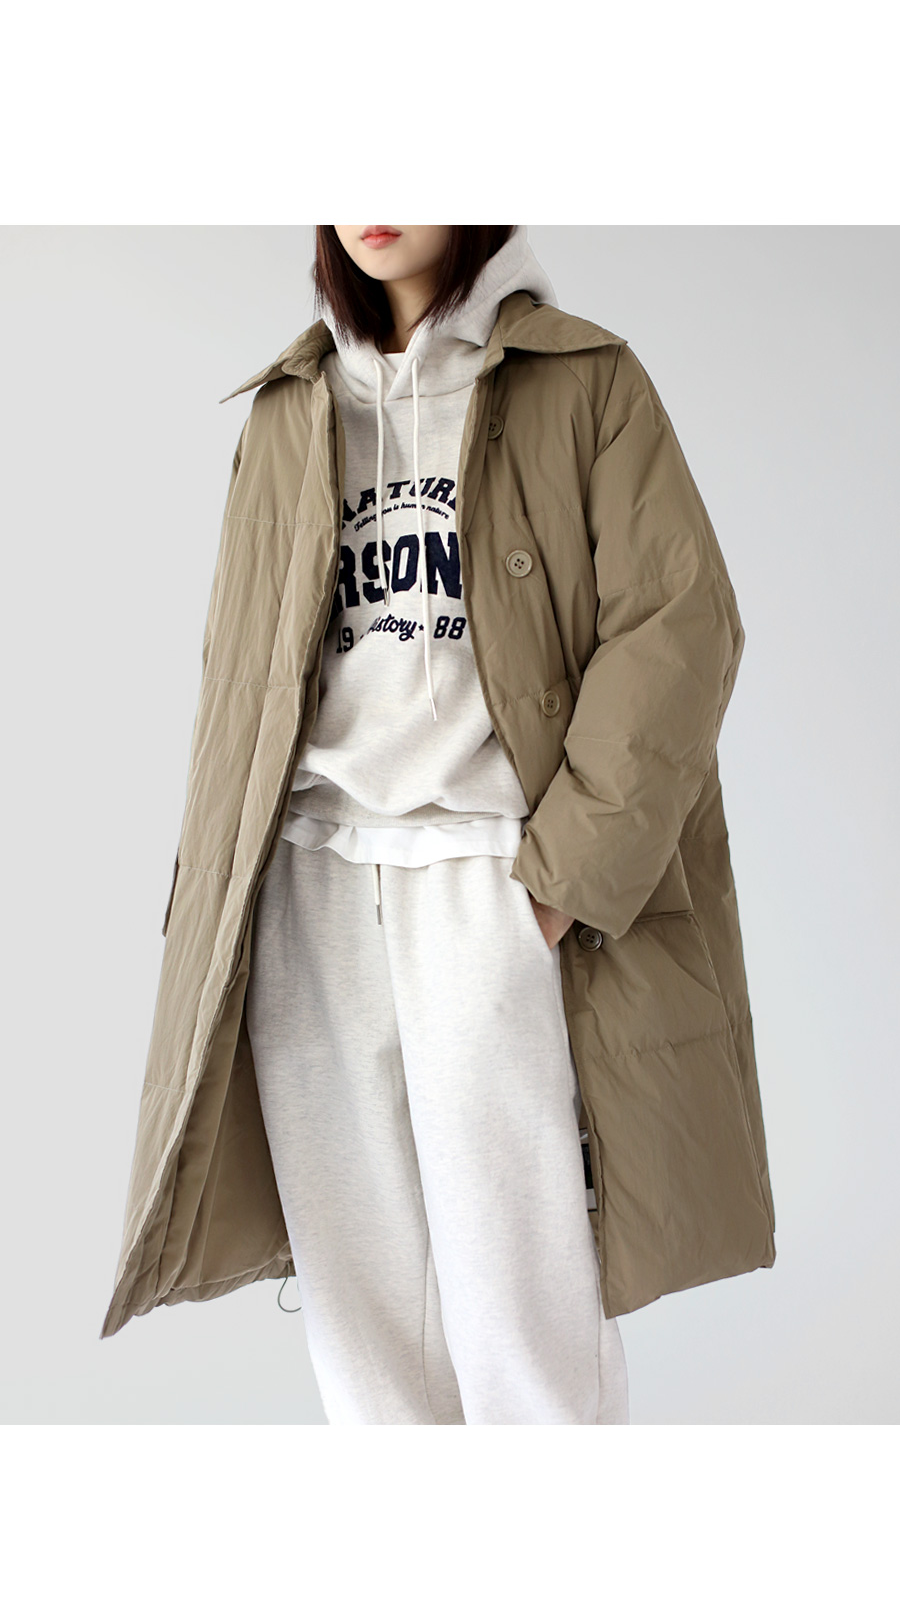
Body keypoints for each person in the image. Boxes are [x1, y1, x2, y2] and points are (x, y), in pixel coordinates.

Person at [103, 224, 775, 1427]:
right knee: (363, 1320)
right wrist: (225, 904)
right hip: (310, 886)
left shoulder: (584, 380)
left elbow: (681, 622)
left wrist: (563, 877)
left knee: (522, 1305)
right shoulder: (288, 408)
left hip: (487, 878)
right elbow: (236, 681)